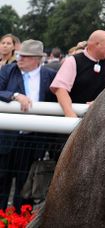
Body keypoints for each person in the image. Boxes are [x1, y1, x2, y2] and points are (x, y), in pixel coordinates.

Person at [0, 40, 58, 212]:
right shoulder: (9, 70)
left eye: (25, 56)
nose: (20, 58)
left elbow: (59, 97)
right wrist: (15, 95)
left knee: (25, 185)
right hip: (7, 138)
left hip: (33, 139)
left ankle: (21, 219)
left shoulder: (49, 75)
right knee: (2, 182)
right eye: (20, 55)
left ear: (37, 59)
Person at [50, 30, 105, 118]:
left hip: (101, 117)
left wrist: (100, 101)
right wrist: (70, 114)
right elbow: (60, 89)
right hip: (76, 117)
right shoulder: (73, 61)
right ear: (97, 44)